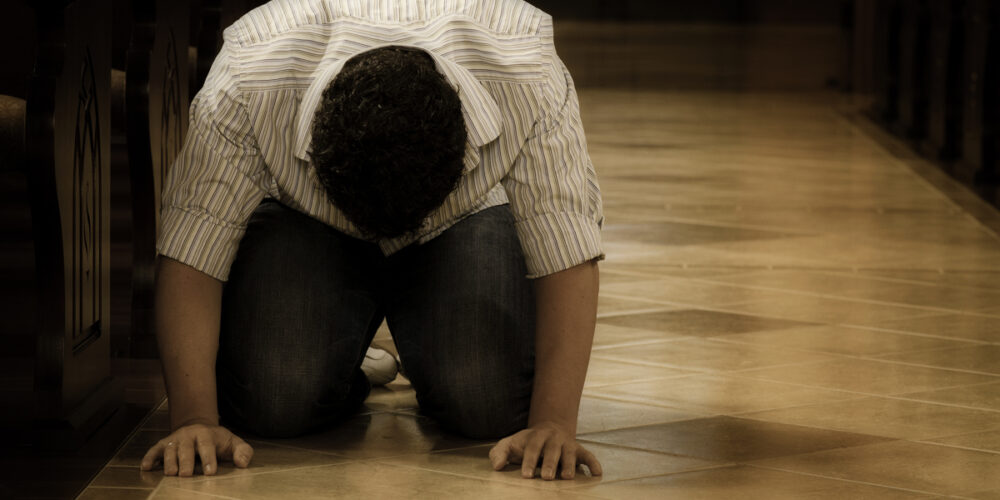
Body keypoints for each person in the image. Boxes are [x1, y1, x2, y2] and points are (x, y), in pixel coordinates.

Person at [140, 0, 604, 482]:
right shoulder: (250, 74)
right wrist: (194, 418)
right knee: (273, 400)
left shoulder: (527, 68)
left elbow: (565, 245)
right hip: (306, 223)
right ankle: (351, 359)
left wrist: (553, 421)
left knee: (486, 402)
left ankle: (413, 342)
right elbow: (193, 245)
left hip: (463, 221)